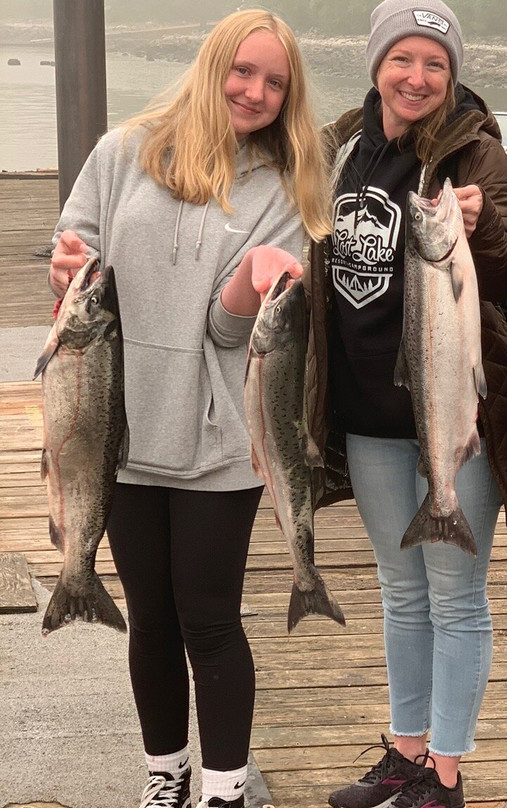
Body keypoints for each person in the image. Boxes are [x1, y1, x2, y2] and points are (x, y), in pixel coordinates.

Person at [47, 9, 330, 808]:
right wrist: (64, 268)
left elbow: (227, 329)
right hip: (116, 428)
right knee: (150, 621)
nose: (256, 92)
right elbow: (74, 258)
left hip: (216, 441)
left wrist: (252, 281)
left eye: (275, 83)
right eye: (244, 71)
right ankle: (165, 774)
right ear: (212, 67)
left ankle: (224, 788)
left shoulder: (283, 187)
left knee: (208, 620)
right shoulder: (123, 152)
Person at [282, 2, 507, 808]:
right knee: (401, 591)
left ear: (452, 75)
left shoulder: (476, 150)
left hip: (457, 418)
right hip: (367, 417)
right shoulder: (342, 145)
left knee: (456, 596)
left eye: (435, 64)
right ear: (376, 64)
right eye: (403, 59)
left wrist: (480, 225)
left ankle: (445, 776)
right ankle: (407, 753)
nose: (417, 78)